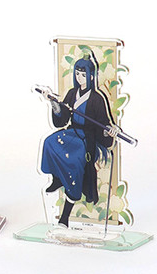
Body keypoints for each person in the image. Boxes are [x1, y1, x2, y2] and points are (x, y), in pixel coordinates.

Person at [40, 56, 118, 227]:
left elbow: (104, 123)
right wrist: (54, 103)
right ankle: (56, 179)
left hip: (87, 139)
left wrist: (109, 130)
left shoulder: (97, 98)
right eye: (77, 74)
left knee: (74, 161)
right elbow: (62, 118)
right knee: (49, 142)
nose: (80, 78)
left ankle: (66, 215)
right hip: (72, 132)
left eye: (83, 75)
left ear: (91, 76)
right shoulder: (71, 93)